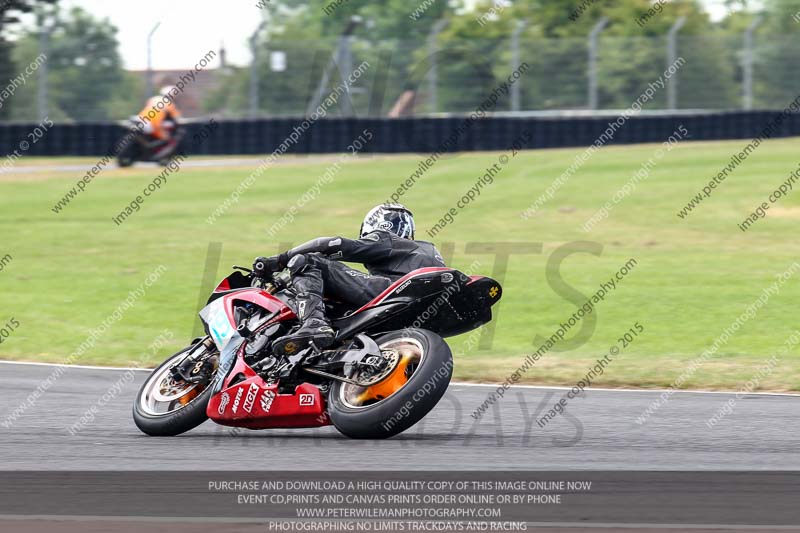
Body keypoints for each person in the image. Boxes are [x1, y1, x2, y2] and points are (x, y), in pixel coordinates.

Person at [253, 204, 446, 355]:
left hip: (393, 291)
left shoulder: (387, 239)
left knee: (308, 260)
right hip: (419, 312)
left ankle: (314, 323)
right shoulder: (429, 250)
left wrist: (279, 260)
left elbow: (330, 244)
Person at [138, 85, 182, 160]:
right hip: (154, 125)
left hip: (140, 120)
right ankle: (159, 157)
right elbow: (176, 119)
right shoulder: (170, 104)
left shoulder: (153, 99)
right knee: (167, 139)